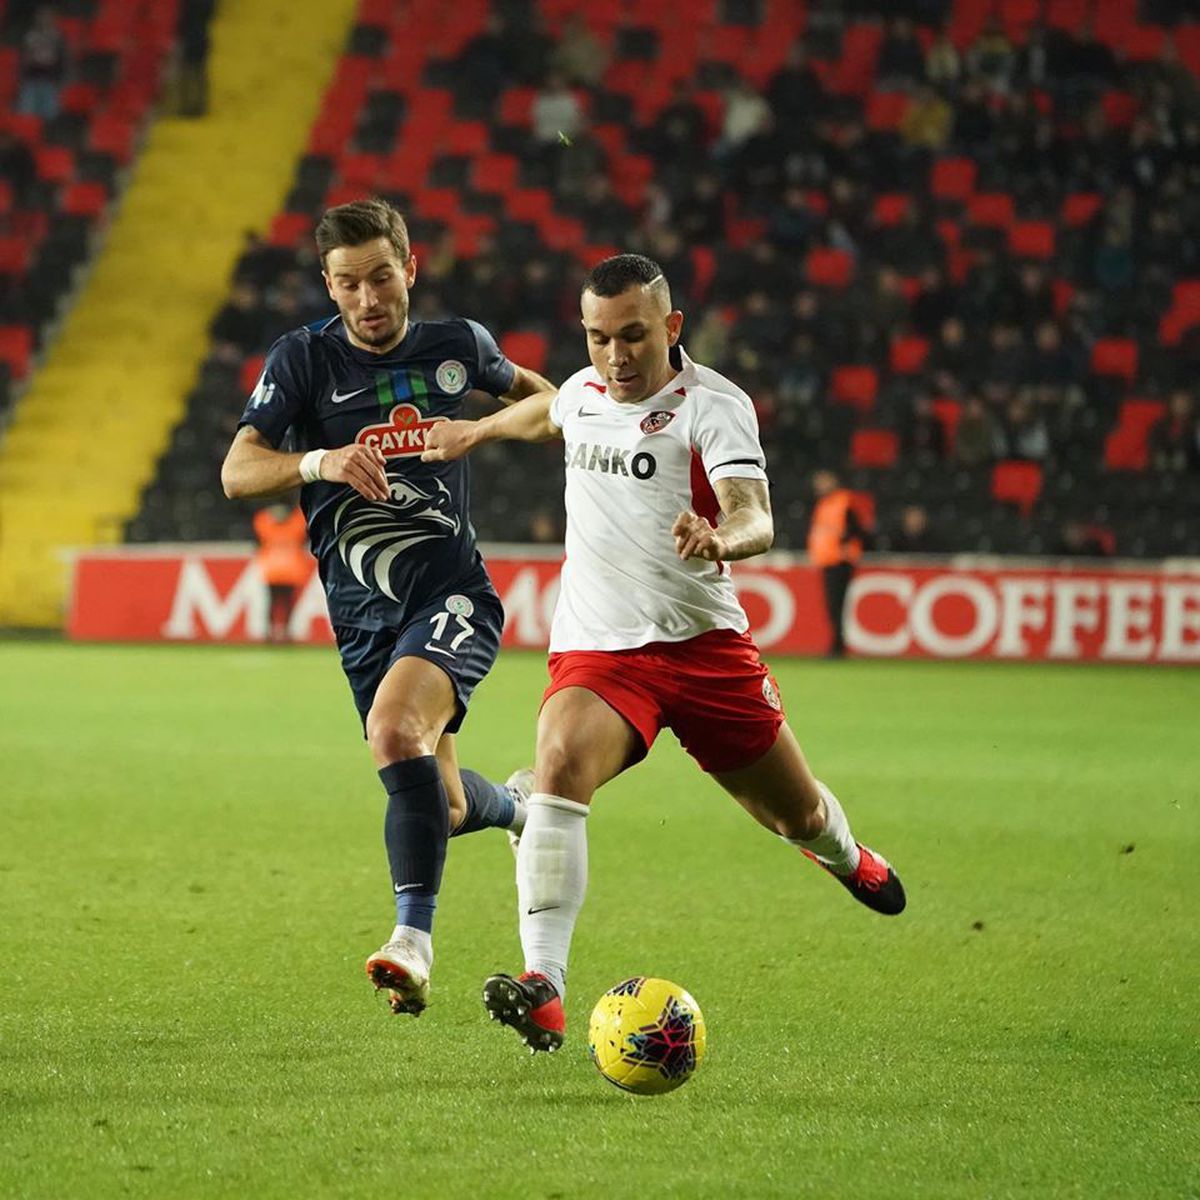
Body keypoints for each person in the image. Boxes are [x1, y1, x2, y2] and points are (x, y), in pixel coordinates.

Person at [421, 254, 905, 1054]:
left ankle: (846, 855)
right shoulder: (583, 393)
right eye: (599, 337)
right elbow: (546, 414)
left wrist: (721, 537)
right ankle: (545, 985)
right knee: (559, 763)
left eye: (633, 336)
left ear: (671, 327)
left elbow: (756, 514)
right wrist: (475, 429)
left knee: (797, 815)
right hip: (601, 651)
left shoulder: (714, 406)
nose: (615, 356)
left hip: (705, 650)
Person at [220, 198, 556, 1017]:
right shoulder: (303, 359)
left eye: (381, 278)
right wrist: (321, 461)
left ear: (409, 268)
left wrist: (478, 432)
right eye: (348, 283)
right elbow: (237, 471)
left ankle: (412, 942)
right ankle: (521, 807)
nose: (368, 300)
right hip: (362, 617)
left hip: (452, 593)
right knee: (442, 801)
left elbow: (551, 405)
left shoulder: (459, 346)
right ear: (327, 284)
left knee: (395, 731)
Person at [807, 469, 869, 659]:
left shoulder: (844, 501)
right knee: (833, 605)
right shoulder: (824, 503)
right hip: (828, 560)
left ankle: (838, 646)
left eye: (823, 481)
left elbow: (858, 529)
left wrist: (844, 544)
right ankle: (837, 644)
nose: (819, 486)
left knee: (837, 605)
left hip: (840, 561)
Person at [252, 500, 310, 642]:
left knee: (273, 602)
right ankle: (283, 632)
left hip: (274, 570)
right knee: (286, 603)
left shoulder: (264, 522)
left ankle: (271, 632)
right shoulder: (297, 523)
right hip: (289, 570)